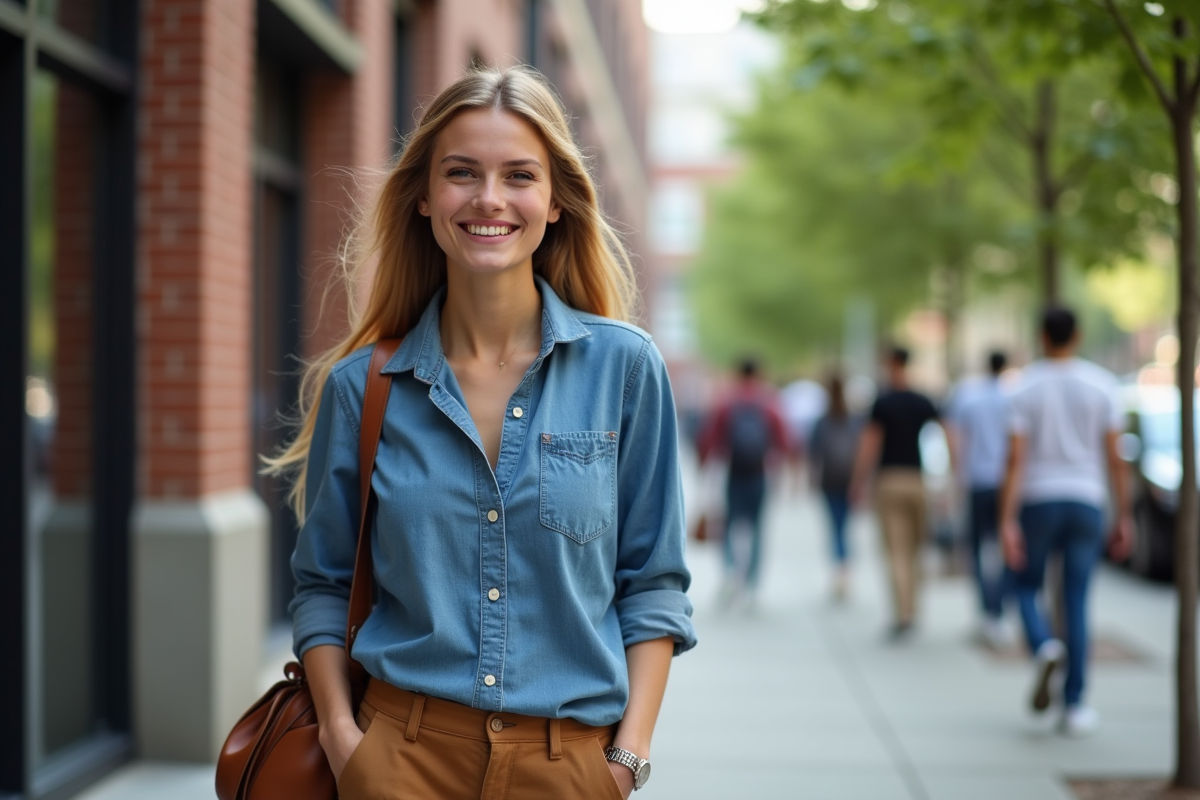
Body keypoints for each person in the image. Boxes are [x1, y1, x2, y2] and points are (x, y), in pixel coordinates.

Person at [268, 67, 697, 799]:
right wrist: (346, 744)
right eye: (461, 173)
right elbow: (324, 585)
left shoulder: (625, 370)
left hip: (570, 768)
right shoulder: (364, 389)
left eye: (519, 175)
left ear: (555, 200)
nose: (489, 198)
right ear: (426, 198)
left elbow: (652, 583)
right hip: (398, 761)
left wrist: (627, 762)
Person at [999, 307, 1133, 736]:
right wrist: (1124, 513)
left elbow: (1015, 460)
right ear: (1078, 335)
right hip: (1086, 500)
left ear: (1041, 336)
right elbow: (1116, 460)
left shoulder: (1024, 387)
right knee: (1076, 600)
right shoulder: (1102, 385)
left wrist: (1006, 519)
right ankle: (1074, 704)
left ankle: (1042, 645)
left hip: (1038, 499)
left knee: (1023, 584)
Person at [849, 346, 948, 638]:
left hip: (889, 480)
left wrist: (858, 481)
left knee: (896, 552)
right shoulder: (923, 400)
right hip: (918, 480)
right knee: (917, 550)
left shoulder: (883, 402)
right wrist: (951, 477)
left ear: (889, 363)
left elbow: (870, 444)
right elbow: (948, 434)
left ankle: (903, 612)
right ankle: (913, 608)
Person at [698, 357, 790, 608]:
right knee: (758, 529)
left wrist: (704, 471)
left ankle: (729, 573)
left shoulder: (728, 403)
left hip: (734, 473)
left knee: (729, 526)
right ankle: (751, 585)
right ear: (758, 373)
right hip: (759, 473)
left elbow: (710, 440)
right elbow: (783, 440)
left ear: (739, 373)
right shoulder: (768, 403)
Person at [947, 351, 1012, 648]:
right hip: (1006, 483)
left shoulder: (968, 396)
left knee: (977, 551)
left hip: (977, 481)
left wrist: (957, 477)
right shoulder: (1014, 397)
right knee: (1004, 548)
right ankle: (997, 609)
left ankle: (987, 612)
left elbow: (956, 439)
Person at [808, 373, 862, 601]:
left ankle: (838, 571)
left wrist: (810, 478)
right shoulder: (854, 420)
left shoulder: (822, 421)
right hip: (849, 479)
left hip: (829, 480)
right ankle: (844, 570)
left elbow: (814, 452)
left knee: (835, 526)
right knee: (845, 526)